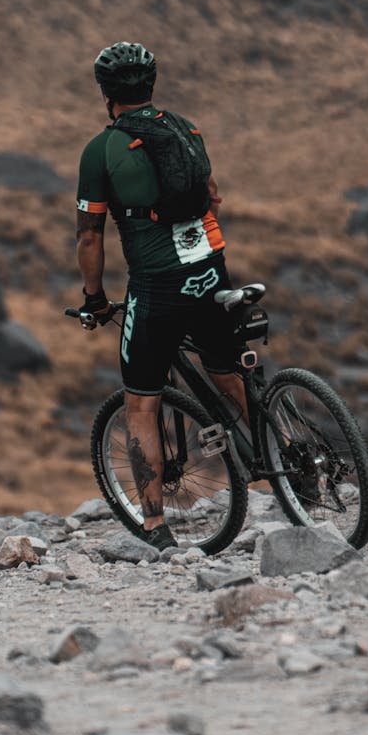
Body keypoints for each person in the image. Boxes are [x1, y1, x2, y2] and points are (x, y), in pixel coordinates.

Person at [75, 41, 247, 550]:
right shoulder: (186, 128)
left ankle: (154, 527)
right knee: (228, 375)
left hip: (157, 287)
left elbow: (89, 236)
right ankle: (284, 459)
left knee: (142, 405)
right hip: (211, 272)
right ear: (151, 85)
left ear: (106, 94)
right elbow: (212, 195)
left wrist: (94, 299)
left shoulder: (101, 151)